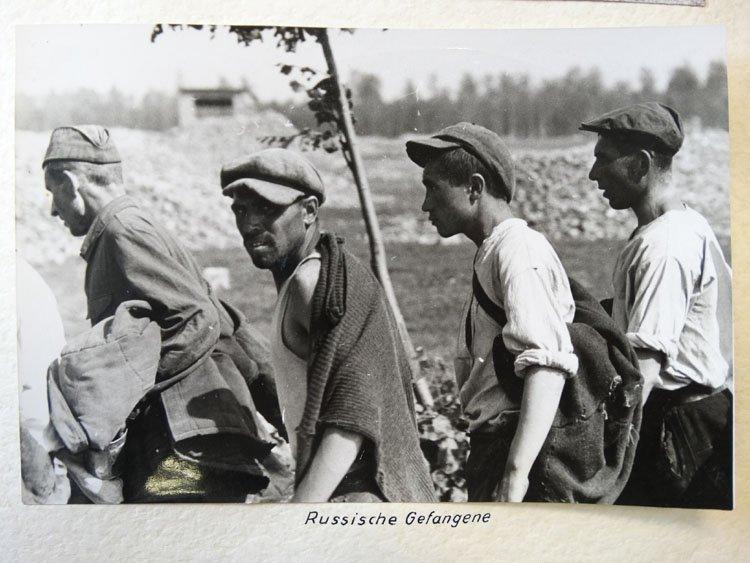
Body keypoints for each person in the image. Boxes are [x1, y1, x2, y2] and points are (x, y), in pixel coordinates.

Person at [42, 125, 285, 502]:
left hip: (184, 442)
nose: (53, 208)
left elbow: (196, 317)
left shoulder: (123, 231)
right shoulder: (131, 225)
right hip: (193, 436)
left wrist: (125, 397)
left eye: (53, 192)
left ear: (72, 183)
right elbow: (214, 317)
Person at [221, 148, 436, 503]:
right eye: (241, 210)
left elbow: (352, 416)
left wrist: (301, 512)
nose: (250, 224)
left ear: (308, 211)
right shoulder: (312, 277)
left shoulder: (315, 283)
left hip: (357, 497)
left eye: (266, 208)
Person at [406, 123, 581, 502]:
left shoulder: (517, 250)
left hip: (523, 459)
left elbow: (547, 365)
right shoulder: (494, 251)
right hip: (498, 449)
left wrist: (514, 478)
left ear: (474, 187)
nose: (425, 205)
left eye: (432, 187)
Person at [581, 102, 733, 509]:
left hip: (678, 431)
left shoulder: (662, 247)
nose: (594, 174)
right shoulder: (685, 224)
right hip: (697, 417)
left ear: (641, 164)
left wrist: (603, 465)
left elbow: (643, 372)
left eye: (604, 160)